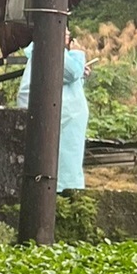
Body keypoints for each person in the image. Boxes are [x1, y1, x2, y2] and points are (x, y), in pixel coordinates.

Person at [16, 29, 90, 193]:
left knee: (64, 162)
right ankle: (63, 194)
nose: (68, 33)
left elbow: (66, 78)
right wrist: (78, 54)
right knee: (61, 166)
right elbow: (70, 72)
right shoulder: (51, 49)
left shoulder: (49, 51)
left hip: (62, 122)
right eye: (65, 30)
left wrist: (80, 74)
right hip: (60, 123)